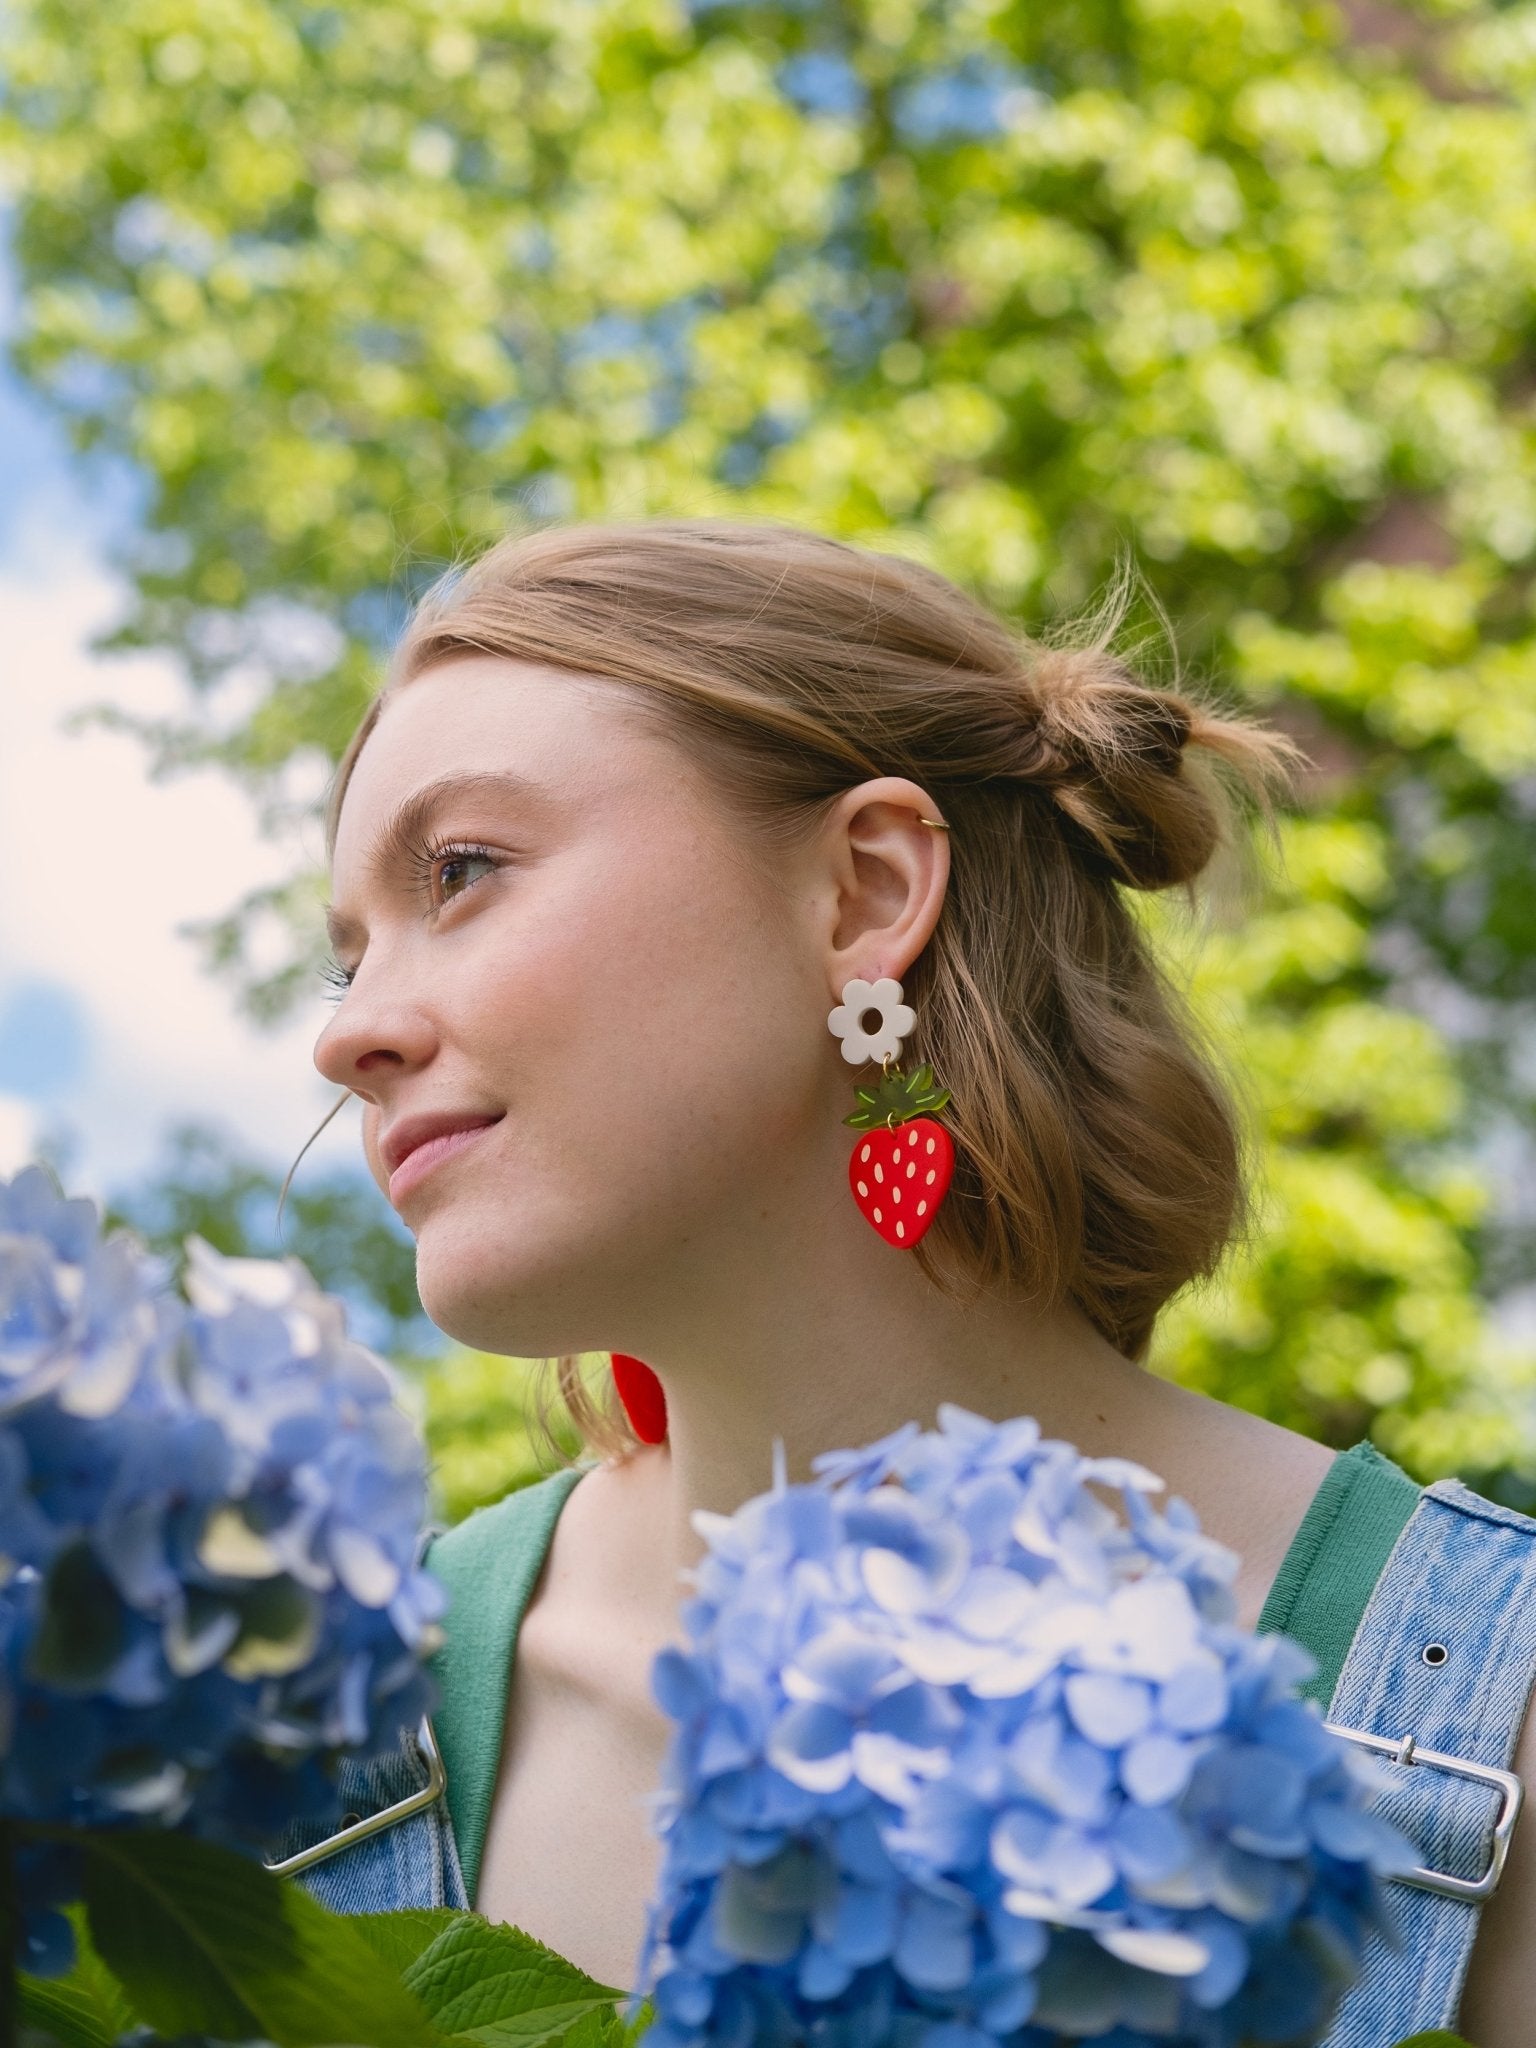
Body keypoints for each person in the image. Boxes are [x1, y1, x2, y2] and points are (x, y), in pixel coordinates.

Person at [281, 519, 1536, 2047]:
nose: (347, 1040)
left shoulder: (1489, 1712)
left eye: (463, 869)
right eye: (348, 961)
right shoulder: (297, 1742)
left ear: (867, 890)